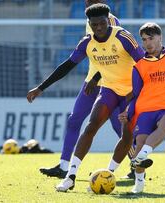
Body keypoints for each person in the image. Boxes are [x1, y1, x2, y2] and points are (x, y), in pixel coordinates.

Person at [26, 0, 134, 179]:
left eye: (93, 1)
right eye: (87, 0)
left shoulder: (110, 22)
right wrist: (41, 88)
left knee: (119, 126)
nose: (88, 3)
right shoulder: (90, 20)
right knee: (74, 119)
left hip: (110, 83)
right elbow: (78, 59)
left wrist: (97, 78)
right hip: (91, 81)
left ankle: (136, 165)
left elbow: (113, 56)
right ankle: (63, 166)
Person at [54, 3, 144, 192]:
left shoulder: (122, 36)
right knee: (91, 125)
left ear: (108, 20)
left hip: (130, 91)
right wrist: (40, 88)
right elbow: (68, 65)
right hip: (109, 88)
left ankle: (122, 174)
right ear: (90, 23)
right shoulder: (87, 41)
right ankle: (70, 176)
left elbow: (144, 65)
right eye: (94, 25)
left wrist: (136, 93)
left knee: (126, 134)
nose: (99, 28)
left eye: (102, 23)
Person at [118, 22, 165, 193]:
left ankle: (142, 156)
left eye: (151, 38)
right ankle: (139, 184)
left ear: (160, 37)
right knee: (139, 143)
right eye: (144, 40)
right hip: (145, 110)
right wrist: (127, 112)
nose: (147, 43)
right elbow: (136, 95)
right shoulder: (138, 66)